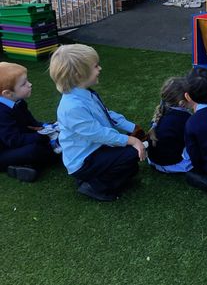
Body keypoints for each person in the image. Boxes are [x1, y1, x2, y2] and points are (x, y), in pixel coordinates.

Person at [49, 44, 146, 202]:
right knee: (131, 154)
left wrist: (132, 127)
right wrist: (131, 140)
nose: (100, 68)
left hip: (96, 148)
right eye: (95, 66)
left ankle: (97, 177)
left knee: (131, 167)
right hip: (84, 160)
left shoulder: (85, 94)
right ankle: (93, 186)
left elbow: (106, 114)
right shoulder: (72, 107)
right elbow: (98, 133)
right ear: (79, 74)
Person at [0, 62, 59, 182]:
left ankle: (30, 166)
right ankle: (21, 167)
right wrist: (42, 136)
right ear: (7, 93)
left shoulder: (18, 101)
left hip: (16, 143)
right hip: (4, 151)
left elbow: (31, 123)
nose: (30, 84)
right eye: (24, 84)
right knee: (35, 149)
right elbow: (13, 140)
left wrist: (48, 127)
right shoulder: (1, 113)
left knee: (47, 140)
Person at [146, 77, 192, 173]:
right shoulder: (183, 118)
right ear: (182, 103)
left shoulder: (163, 109)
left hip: (153, 159)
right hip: (173, 163)